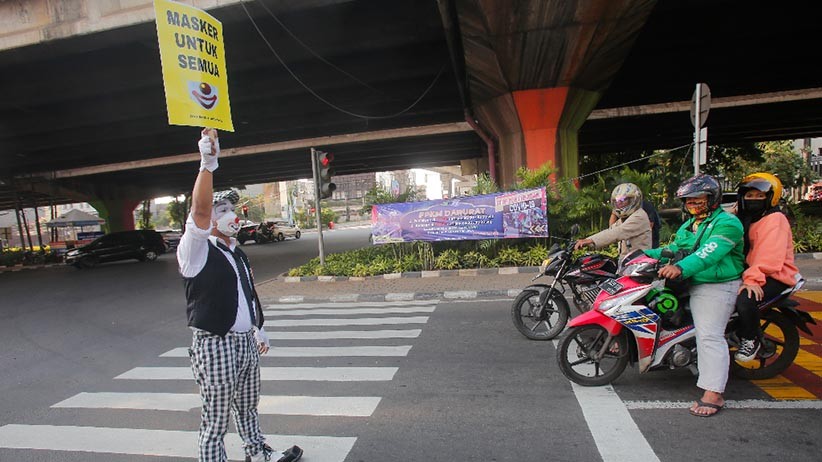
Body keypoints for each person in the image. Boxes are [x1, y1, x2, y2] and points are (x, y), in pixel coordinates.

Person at [177, 128, 303, 462]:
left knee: (248, 406)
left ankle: (257, 452)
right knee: (215, 420)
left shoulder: (237, 252)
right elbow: (200, 211)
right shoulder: (196, 250)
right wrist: (208, 164)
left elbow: (247, 293)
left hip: (244, 341)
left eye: (232, 209)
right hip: (215, 344)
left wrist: (258, 326)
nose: (232, 214)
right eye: (224, 211)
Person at [644, 174, 744, 418]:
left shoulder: (727, 223)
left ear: (712, 199)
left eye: (698, 200)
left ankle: (713, 393)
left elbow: (708, 253)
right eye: (689, 200)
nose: (693, 204)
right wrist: (641, 255)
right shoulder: (689, 226)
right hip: (689, 281)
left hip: (716, 284)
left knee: (709, 334)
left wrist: (680, 268)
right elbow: (675, 249)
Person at [733, 172, 800, 361]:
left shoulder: (775, 219)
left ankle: (750, 339)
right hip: (751, 271)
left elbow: (769, 256)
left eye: (760, 196)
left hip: (775, 274)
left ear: (770, 197)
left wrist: (752, 280)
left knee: (746, 299)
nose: (754, 199)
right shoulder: (747, 217)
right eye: (750, 195)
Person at [574, 183, 652, 259]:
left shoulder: (639, 216)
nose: (619, 202)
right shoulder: (625, 218)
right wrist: (584, 241)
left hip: (639, 263)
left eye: (623, 199)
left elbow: (617, 232)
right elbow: (611, 230)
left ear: (633, 200)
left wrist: (591, 240)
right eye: (617, 200)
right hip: (627, 262)